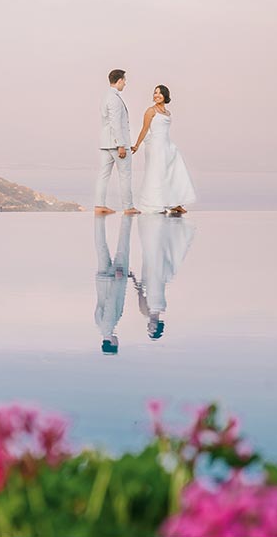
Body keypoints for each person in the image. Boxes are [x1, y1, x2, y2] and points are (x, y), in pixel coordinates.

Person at [132, 84, 197, 214]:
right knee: (158, 173)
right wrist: (137, 145)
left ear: (165, 95)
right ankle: (156, 204)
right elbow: (145, 129)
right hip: (156, 146)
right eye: (155, 93)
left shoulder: (167, 112)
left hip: (167, 145)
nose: (156, 95)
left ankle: (175, 203)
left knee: (174, 172)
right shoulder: (151, 111)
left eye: (160, 93)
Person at [134, 212, 197, 340]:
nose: (150, 327)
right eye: (152, 329)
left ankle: (157, 227)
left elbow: (140, 292)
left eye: (149, 329)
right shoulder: (160, 308)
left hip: (151, 275)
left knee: (152, 253)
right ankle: (159, 227)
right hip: (156, 276)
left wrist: (133, 279)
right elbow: (142, 292)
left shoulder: (147, 311)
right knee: (155, 252)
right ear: (157, 326)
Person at [95, 69, 140, 215]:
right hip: (116, 144)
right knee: (125, 176)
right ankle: (128, 207)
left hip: (105, 144)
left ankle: (99, 205)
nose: (125, 83)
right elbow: (115, 123)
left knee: (103, 175)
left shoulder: (105, 96)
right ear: (119, 80)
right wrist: (121, 144)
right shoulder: (114, 98)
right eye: (124, 80)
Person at [94, 214, 132, 354]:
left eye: (117, 345)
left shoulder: (108, 326)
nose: (118, 342)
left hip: (114, 280)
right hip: (101, 281)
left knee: (123, 248)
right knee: (101, 247)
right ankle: (98, 220)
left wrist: (117, 281)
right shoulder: (99, 325)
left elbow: (111, 303)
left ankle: (127, 217)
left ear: (112, 343)